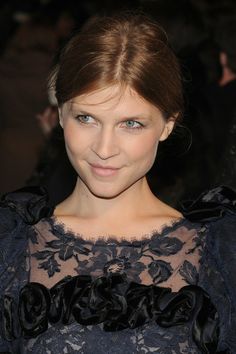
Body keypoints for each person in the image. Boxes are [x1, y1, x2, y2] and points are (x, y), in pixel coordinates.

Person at [0, 13, 235, 354]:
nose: (104, 149)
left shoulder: (221, 253)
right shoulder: (10, 243)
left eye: (131, 124)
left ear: (168, 125)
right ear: (61, 114)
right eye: (87, 118)